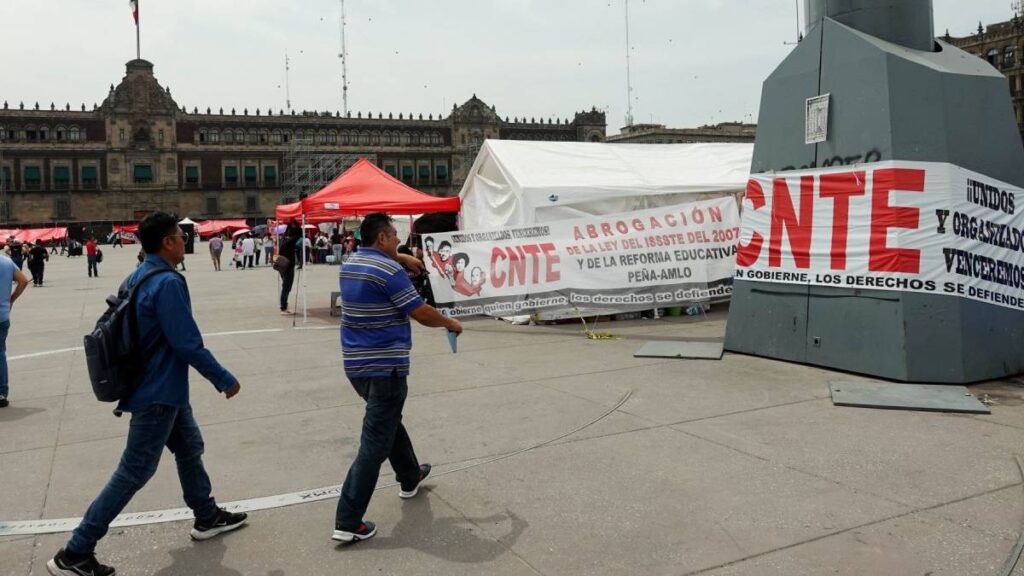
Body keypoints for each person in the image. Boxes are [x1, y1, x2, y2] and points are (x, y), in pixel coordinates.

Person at [47, 212, 246, 576]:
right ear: (168, 242)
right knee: (134, 471)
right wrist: (223, 378)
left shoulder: (138, 275)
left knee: (189, 447)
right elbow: (186, 342)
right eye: (180, 236)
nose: (185, 241)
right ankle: (76, 551)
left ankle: (206, 515)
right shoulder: (167, 282)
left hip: (156, 385)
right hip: (159, 391)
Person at [332, 213, 462, 543]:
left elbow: (386, 263)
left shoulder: (351, 263)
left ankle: (409, 476)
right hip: (385, 366)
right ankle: (348, 521)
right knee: (374, 443)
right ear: (382, 239)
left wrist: (402, 256)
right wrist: (449, 323)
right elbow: (419, 311)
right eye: (393, 235)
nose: (396, 239)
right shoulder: (389, 271)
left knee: (389, 421)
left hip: (356, 366)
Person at [277, 223, 300, 314]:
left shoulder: (283, 239)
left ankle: (284, 304)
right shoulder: (290, 241)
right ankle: (283, 307)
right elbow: (299, 233)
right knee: (287, 287)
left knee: (285, 286)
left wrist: (291, 223)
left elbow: (290, 232)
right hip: (288, 266)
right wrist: (296, 223)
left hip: (282, 266)